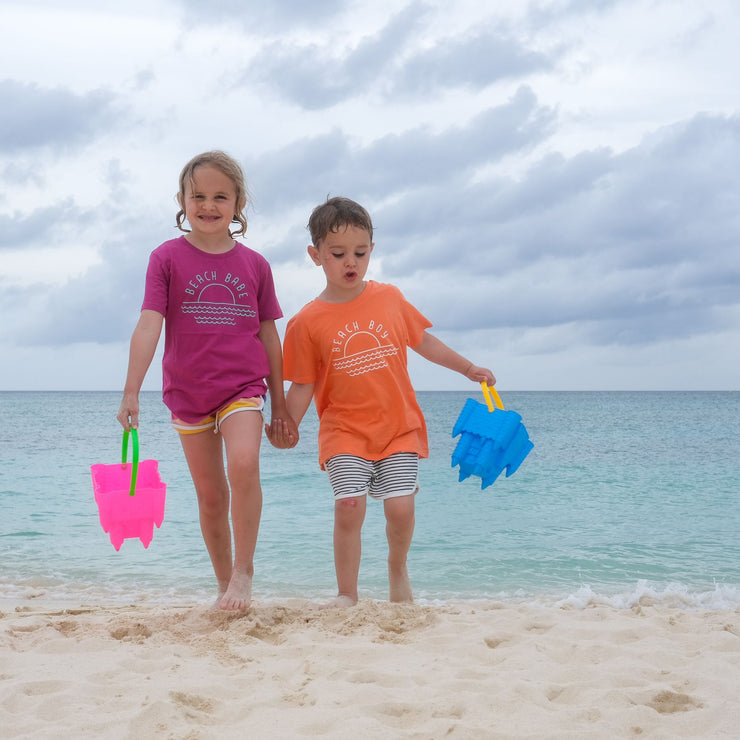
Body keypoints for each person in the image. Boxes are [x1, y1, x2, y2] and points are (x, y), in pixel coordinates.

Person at [266, 196, 495, 607]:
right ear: (315, 255)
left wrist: (467, 368)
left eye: (360, 252)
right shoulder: (306, 322)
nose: (350, 262)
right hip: (344, 431)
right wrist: (287, 422)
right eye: (337, 254)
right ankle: (347, 594)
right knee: (349, 507)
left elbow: (424, 341)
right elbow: (302, 384)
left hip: (398, 427)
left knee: (401, 509)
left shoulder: (389, 298)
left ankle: (397, 568)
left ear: (372, 249)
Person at [117, 150, 298, 611]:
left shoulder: (255, 265)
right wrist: (131, 390)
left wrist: (278, 404)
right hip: (187, 394)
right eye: (198, 195)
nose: (209, 205)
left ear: (238, 204)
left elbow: (269, 336)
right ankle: (224, 588)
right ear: (181, 199)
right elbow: (148, 323)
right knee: (211, 496)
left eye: (221, 196)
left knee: (243, 465)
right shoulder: (166, 258)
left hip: (243, 388)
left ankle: (243, 573)